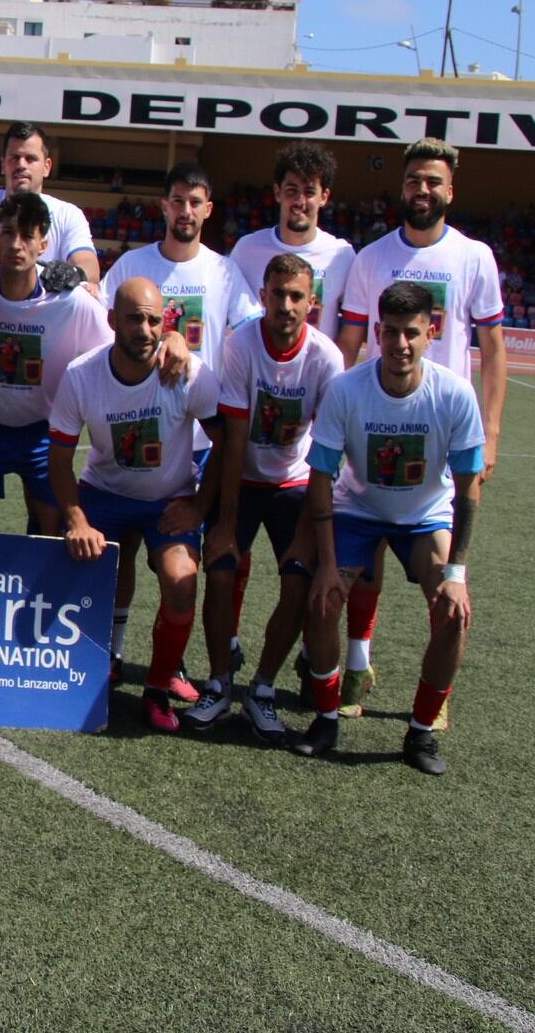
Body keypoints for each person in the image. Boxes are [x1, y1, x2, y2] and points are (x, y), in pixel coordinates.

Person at [331, 138, 505, 718]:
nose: (422, 191)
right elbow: (351, 343)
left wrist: (494, 430)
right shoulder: (372, 257)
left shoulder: (474, 257)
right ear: (401, 188)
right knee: (365, 557)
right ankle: (357, 666)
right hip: (377, 415)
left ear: (449, 191)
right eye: (413, 181)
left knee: (439, 562)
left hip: (441, 431)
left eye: (433, 182)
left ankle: (435, 695)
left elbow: (493, 346)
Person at [292, 282, 486, 775]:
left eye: (412, 333)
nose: (400, 344)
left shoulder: (455, 394)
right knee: (322, 598)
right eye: (392, 333)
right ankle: (327, 716)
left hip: (424, 517)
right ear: (377, 332)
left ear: (431, 333)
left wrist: (457, 572)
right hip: (357, 510)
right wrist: (329, 566)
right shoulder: (347, 390)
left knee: (452, 610)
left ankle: (421, 733)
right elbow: (320, 480)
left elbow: (467, 492)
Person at [99, 162, 261, 686]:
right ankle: (114, 650)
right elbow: (105, 330)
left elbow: (245, 339)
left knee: (190, 562)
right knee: (121, 553)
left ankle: (183, 657)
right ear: (164, 206)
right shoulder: (132, 265)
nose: (185, 210)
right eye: (176, 200)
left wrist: (183, 345)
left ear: (207, 209)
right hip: (142, 431)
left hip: (201, 442)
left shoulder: (225, 272)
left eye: (195, 201)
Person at [48, 278, 224, 732]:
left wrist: (200, 506)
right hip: (105, 492)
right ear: (111, 321)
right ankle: (103, 658)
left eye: (153, 319)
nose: (145, 330)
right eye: (134, 319)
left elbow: (226, 444)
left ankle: (159, 685)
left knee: (182, 579)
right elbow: (60, 459)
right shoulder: (82, 375)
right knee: (85, 562)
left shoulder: (187, 372)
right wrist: (76, 520)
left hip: (169, 498)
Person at [192, 253, 345, 737]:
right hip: (242, 477)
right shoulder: (241, 345)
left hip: (295, 483)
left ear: (311, 304)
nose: (285, 304)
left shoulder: (326, 358)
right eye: (277, 294)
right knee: (219, 570)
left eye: (296, 296)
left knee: (299, 580)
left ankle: (262, 689)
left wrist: (306, 535)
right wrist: (224, 527)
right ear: (262, 297)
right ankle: (218, 683)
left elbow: (325, 454)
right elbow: (233, 440)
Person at [0, 192, 110, 536]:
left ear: (43, 245)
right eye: (7, 232)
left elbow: (110, 350)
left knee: (50, 539)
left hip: (41, 435)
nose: (16, 244)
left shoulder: (69, 300)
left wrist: (170, 340)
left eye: (27, 235)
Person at [229, 142, 357, 339]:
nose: (299, 201)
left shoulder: (342, 255)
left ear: (324, 196)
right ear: (277, 192)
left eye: (309, 192)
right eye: (292, 190)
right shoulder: (246, 250)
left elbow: (352, 330)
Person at [0, 122, 100, 280]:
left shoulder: (67, 215)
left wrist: (71, 274)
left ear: (47, 167)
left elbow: (88, 265)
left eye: (30, 159)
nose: (21, 165)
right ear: (3, 164)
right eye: (14, 158)